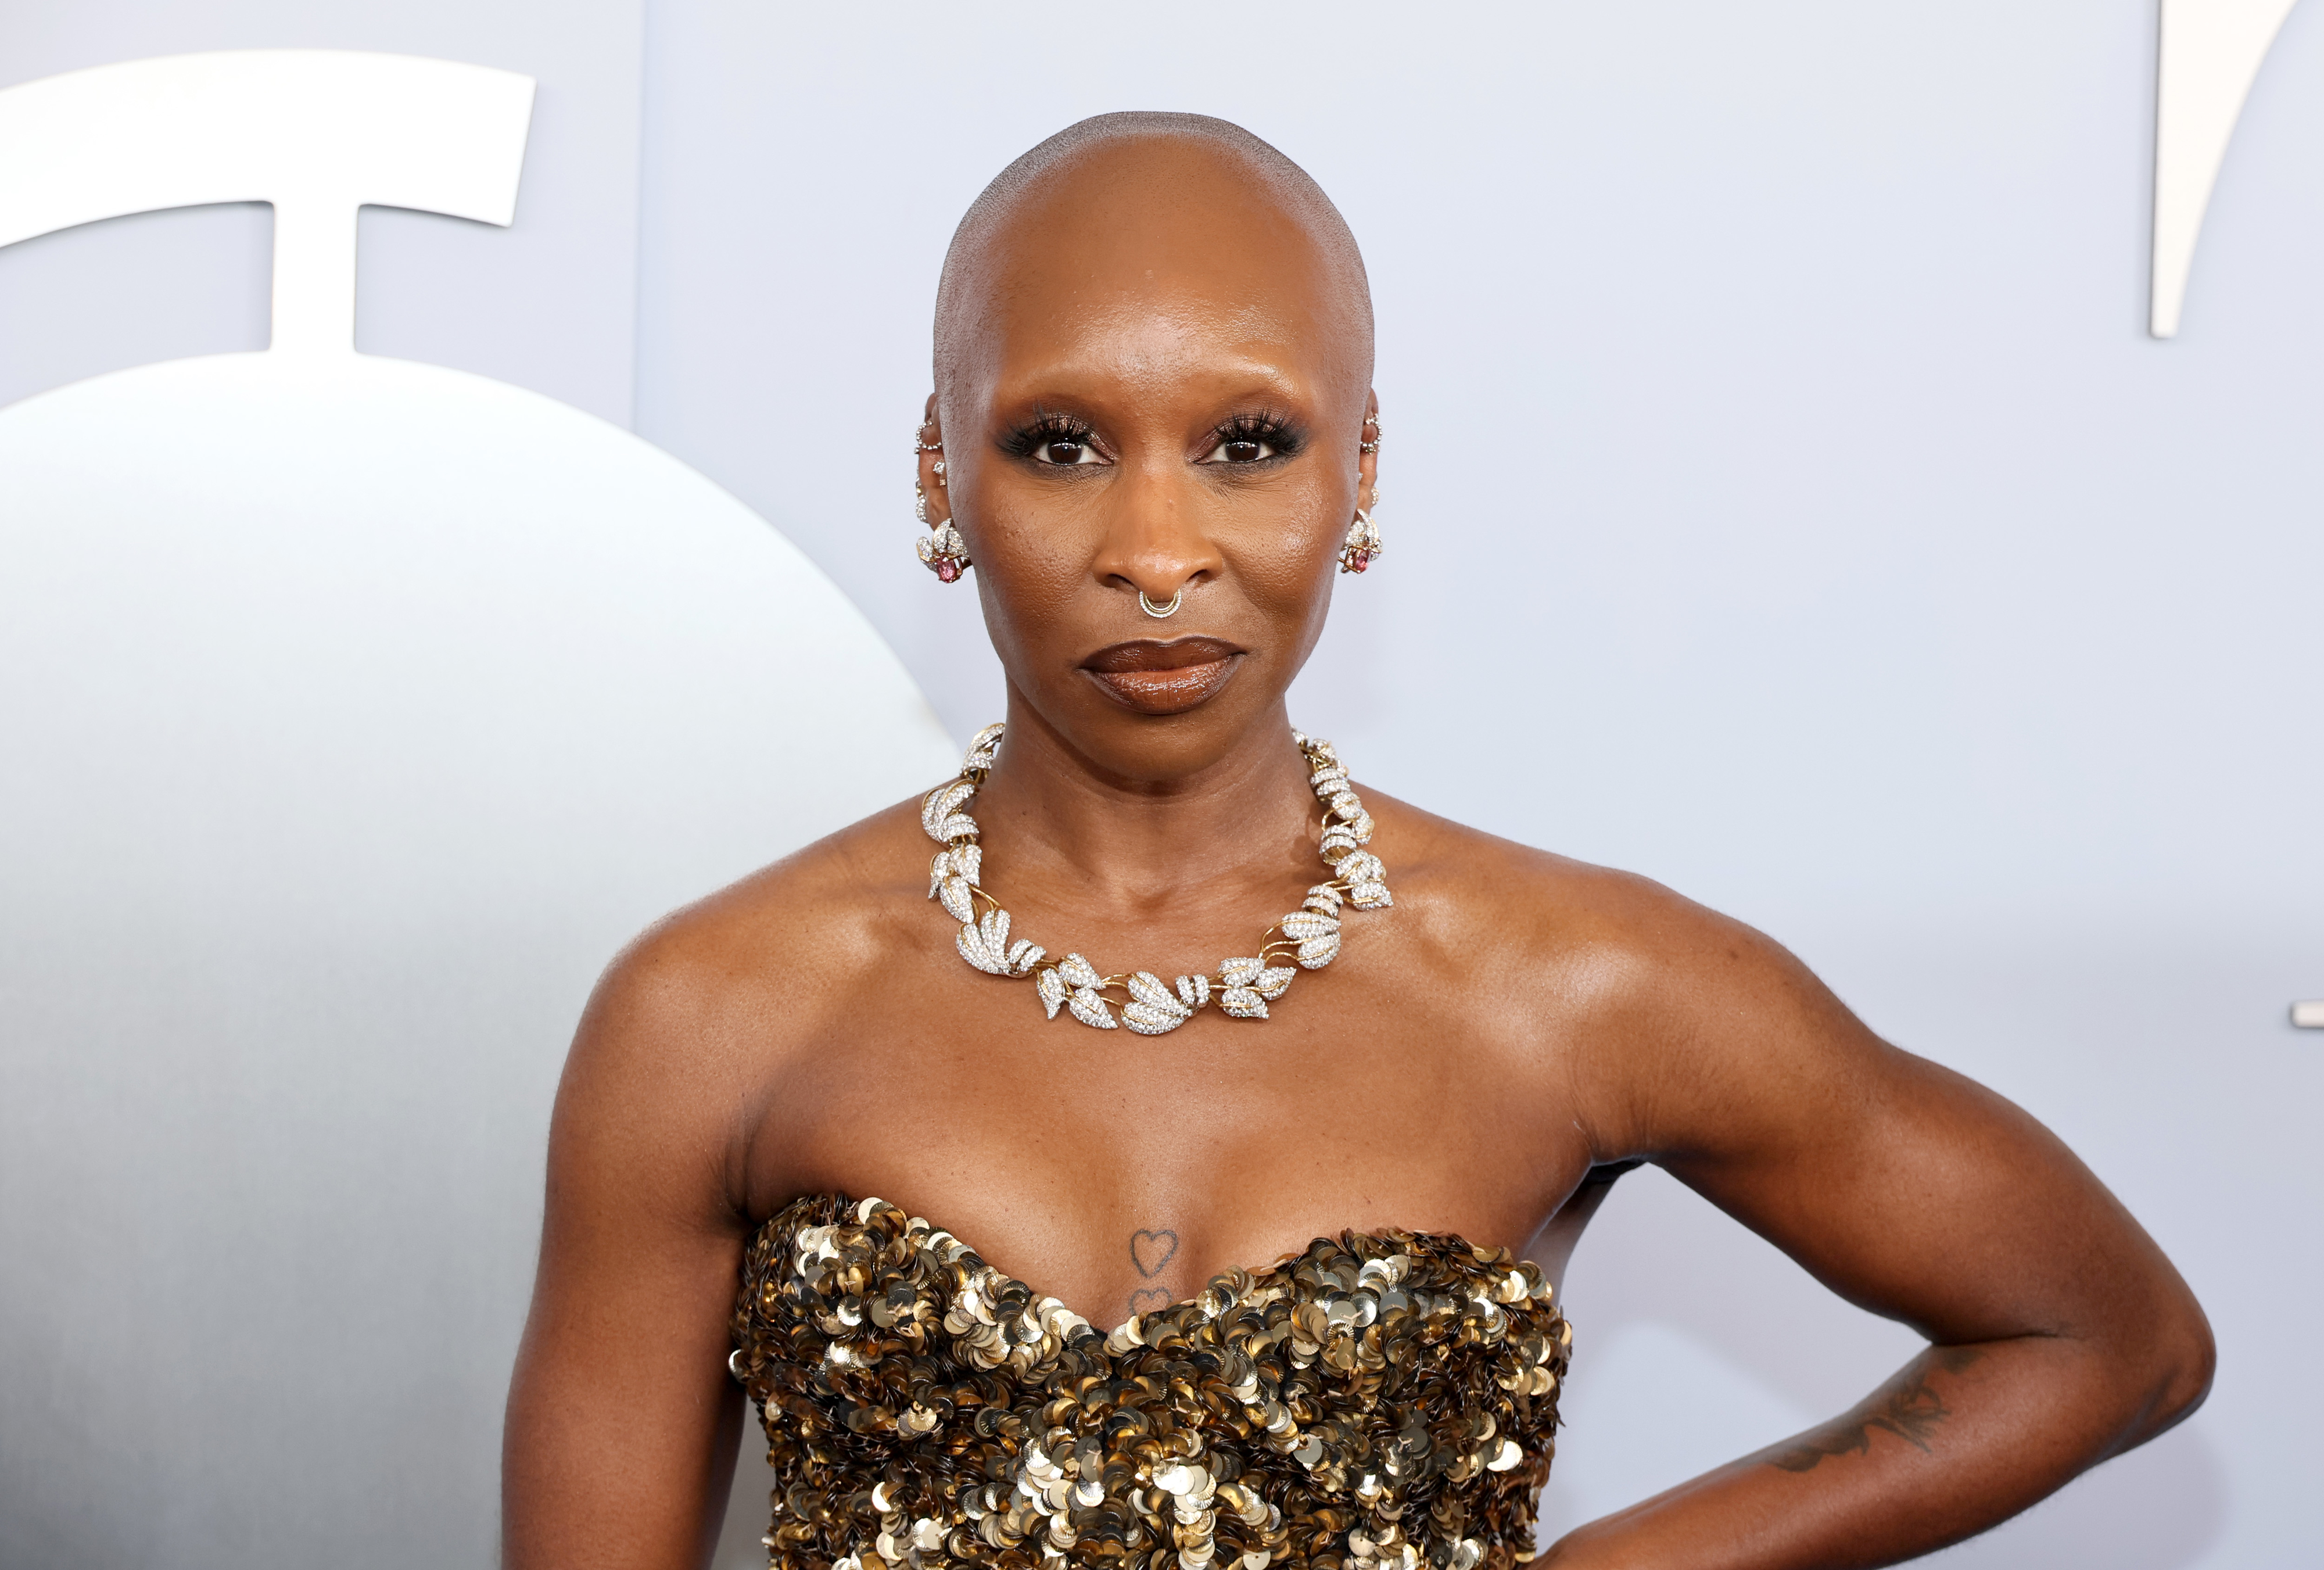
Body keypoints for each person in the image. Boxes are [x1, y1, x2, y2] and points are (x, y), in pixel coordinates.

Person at [501, 113, 2211, 1570]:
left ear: (1361, 469)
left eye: (1249, 444)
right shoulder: (713, 1015)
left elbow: (2105, 1339)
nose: (1158, 546)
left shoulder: (1571, 983)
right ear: (942, 476)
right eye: (1059, 444)